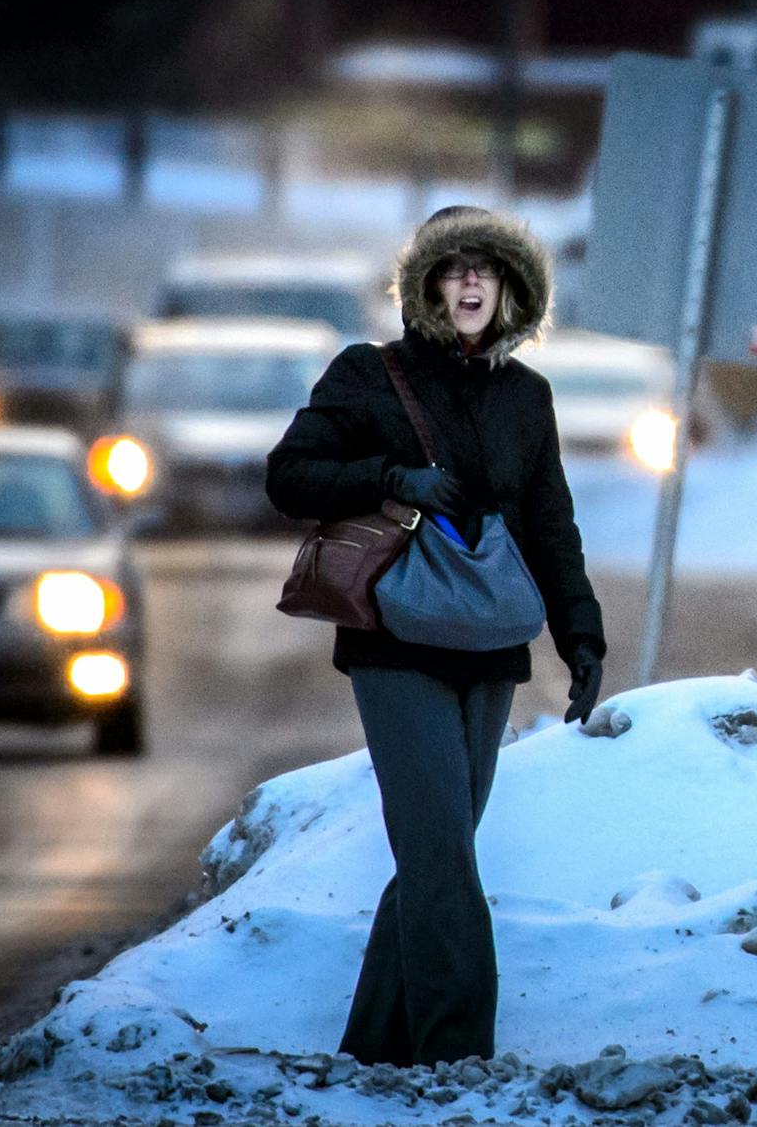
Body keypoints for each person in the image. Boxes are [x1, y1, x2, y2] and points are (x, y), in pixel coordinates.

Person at [266, 205, 606, 1066]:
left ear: (512, 287)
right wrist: (390, 476)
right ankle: (459, 1054)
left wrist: (581, 636)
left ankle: (377, 1048)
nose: (469, 283)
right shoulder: (368, 374)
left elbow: (550, 523)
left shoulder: (529, 396)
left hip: (489, 646)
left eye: (485, 269)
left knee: (435, 854)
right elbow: (287, 474)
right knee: (441, 850)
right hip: (394, 642)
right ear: (424, 284)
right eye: (452, 268)